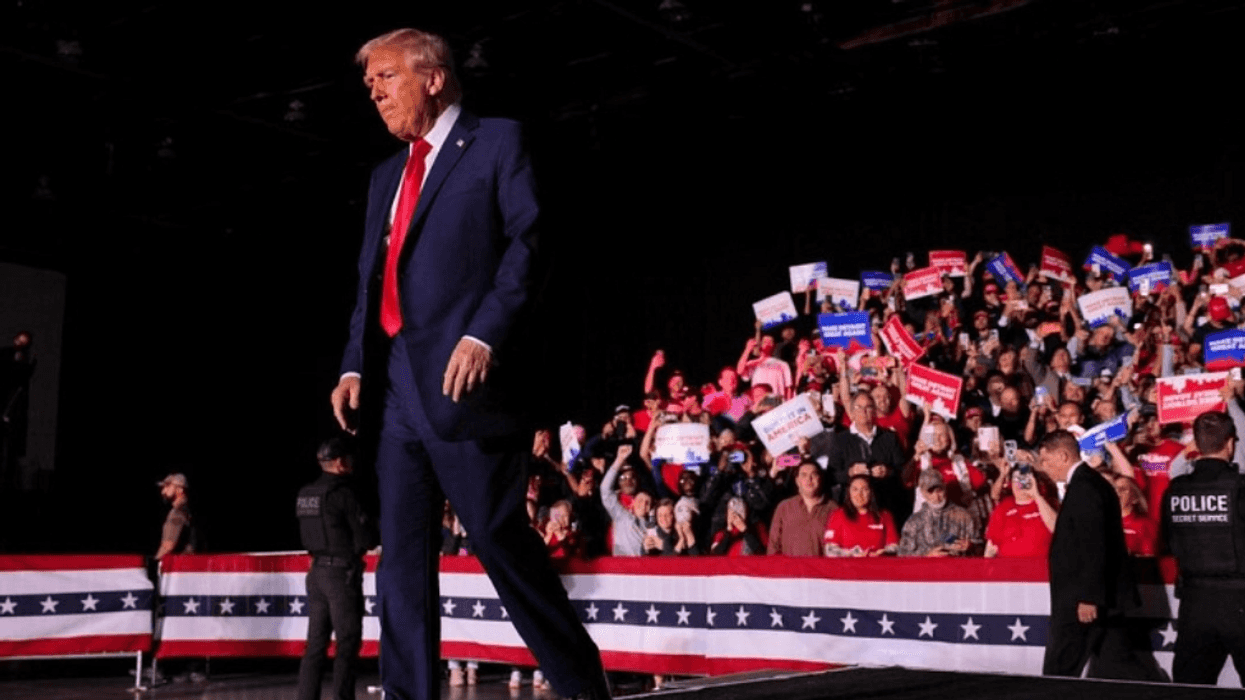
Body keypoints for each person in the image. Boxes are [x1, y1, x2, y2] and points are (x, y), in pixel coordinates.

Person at [329, 28, 606, 700]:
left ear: (432, 76)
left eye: (386, 77)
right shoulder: (384, 177)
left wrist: (485, 335)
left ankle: (580, 685)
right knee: (401, 559)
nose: (375, 93)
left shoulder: (497, 141)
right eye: (369, 85)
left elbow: (528, 242)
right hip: (394, 387)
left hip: (466, 383)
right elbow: (373, 277)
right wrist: (353, 365)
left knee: (496, 539)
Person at [1037, 430, 1146, 679]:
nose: (1043, 467)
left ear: (1063, 455)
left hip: (1082, 602)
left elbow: (1093, 543)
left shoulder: (1085, 487)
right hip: (1099, 598)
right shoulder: (1090, 483)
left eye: (1045, 460)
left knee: (1059, 670)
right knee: (1116, 667)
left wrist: (1088, 597)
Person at [1162, 411, 1245, 685]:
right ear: (1231, 443)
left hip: (1194, 603)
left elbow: (1166, 541)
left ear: (1195, 445)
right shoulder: (1240, 486)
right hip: (1239, 601)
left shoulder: (1175, 489)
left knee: (1190, 685)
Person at [297, 437, 378, 700]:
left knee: (315, 645)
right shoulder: (343, 494)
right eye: (349, 457)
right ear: (340, 461)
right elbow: (364, 538)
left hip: (316, 573)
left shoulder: (306, 494)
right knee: (347, 642)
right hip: (341, 575)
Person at [897, 469, 979, 557]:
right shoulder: (914, 523)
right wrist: (927, 556)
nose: (936, 496)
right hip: (927, 569)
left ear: (945, 487)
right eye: (930, 491)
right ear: (923, 493)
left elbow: (982, 550)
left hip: (957, 568)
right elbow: (902, 555)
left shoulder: (963, 516)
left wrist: (970, 546)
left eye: (939, 490)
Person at [767, 461, 837, 556]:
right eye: (804, 475)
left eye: (814, 474)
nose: (809, 479)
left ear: (820, 478)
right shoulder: (784, 507)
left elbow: (839, 548)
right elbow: (773, 546)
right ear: (797, 481)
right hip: (789, 569)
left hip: (821, 569)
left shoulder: (833, 509)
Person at [823, 475, 898, 556]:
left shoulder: (885, 515)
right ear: (849, 493)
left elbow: (894, 546)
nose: (859, 494)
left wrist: (883, 553)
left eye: (864, 489)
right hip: (847, 566)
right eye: (855, 489)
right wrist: (852, 554)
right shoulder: (837, 515)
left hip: (878, 565)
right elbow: (830, 549)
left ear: (871, 492)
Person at [155, 473, 196, 561]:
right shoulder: (187, 510)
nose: (163, 491)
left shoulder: (178, 512)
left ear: (180, 489)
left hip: (180, 567)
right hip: (188, 565)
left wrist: (155, 563)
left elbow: (168, 546)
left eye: (168, 485)